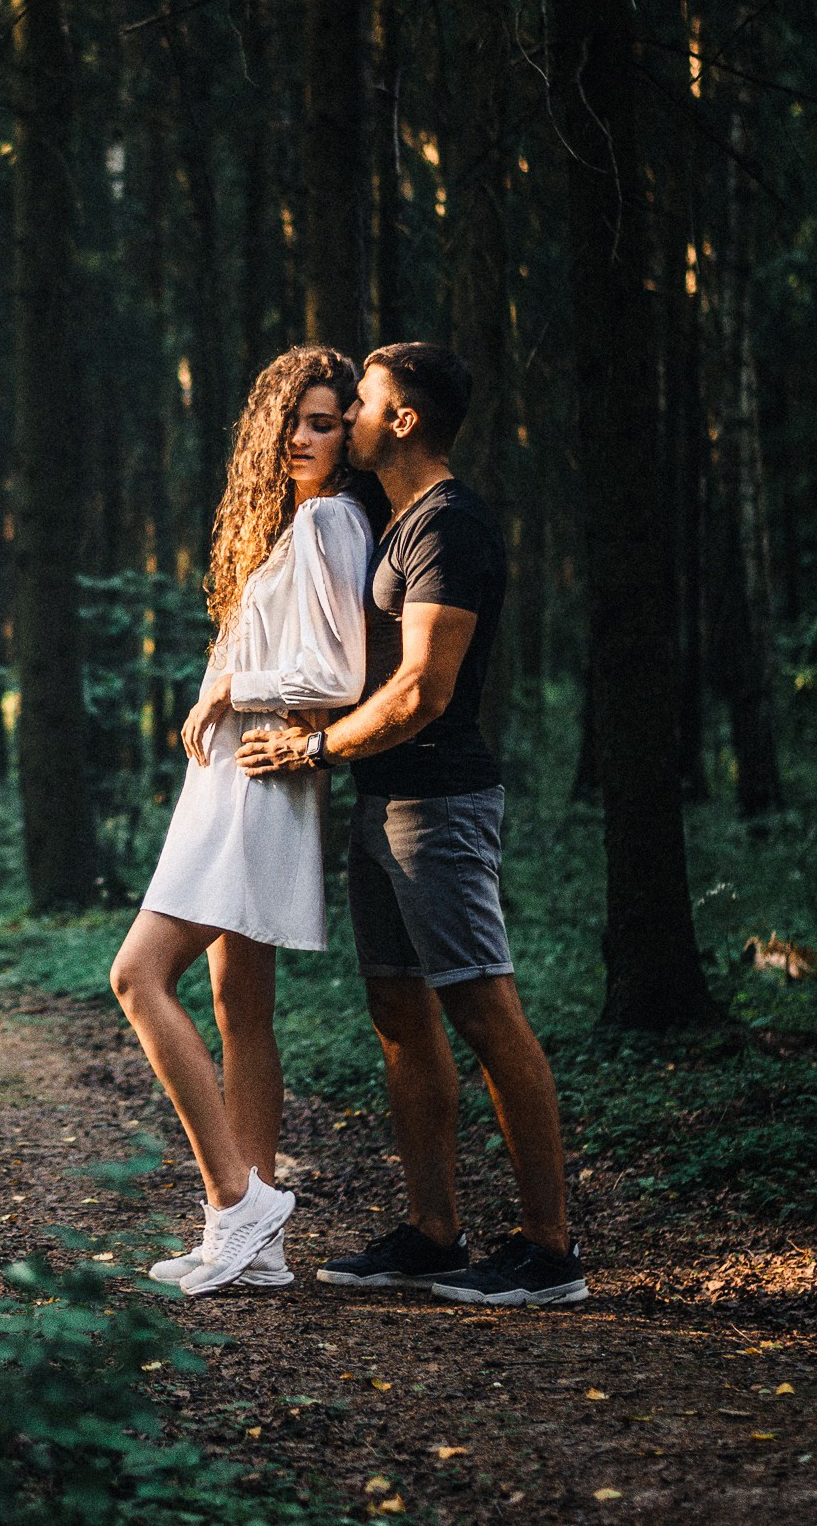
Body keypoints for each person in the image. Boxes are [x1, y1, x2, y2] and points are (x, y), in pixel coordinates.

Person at [235, 341, 586, 1307]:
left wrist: (313, 749)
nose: (343, 414)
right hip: (381, 799)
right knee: (399, 1014)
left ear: (402, 420)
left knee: (483, 1007)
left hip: (437, 802)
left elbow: (425, 691)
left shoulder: (451, 525)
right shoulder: (394, 523)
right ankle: (435, 1231)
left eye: (362, 401)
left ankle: (549, 1251)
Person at [110, 346, 377, 1296]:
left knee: (137, 976)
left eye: (326, 422)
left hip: (260, 779)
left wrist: (233, 682)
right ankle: (252, 1242)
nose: (305, 438)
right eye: (294, 421)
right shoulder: (290, 524)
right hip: (236, 779)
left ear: (353, 432)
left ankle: (237, 1198)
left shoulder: (331, 524)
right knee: (240, 1009)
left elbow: (343, 677)